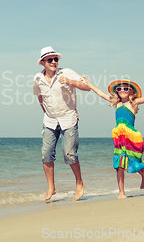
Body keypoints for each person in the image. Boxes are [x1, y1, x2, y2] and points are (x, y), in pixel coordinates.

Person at [80, 76, 144, 199]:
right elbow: (101, 93)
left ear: (131, 91)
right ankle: (121, 192)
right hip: (119, 137)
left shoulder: (134, 102)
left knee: (134, 161)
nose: (122, 90)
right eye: (119, 88)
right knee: (119, 164)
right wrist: (89, 84)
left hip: (131, 137)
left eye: (125, 88)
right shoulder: (116, 103)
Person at [33, 46, 90, 201]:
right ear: (43, 62)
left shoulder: (67, 73)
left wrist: (70, 81)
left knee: (69, 154)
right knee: (46, 154)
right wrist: (47, 112)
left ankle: (79, 183)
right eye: (49, 60)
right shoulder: (38, 78)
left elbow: (87, 87)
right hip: (50, 121)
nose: (53, 62)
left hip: (68, 119)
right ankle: (51, 187)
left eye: (55, 59)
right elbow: (39, 97)